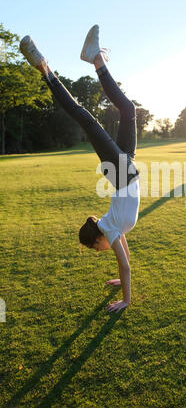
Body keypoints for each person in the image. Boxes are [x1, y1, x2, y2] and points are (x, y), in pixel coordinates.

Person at [20, 25, 140, 313]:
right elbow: (125, 262)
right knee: (129, 111)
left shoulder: (110, 230)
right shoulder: (113, 228)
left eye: (95, 250)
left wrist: (126, 299)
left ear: (98, 240)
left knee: (87, 119)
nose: (101, 252)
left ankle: (44, 68)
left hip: (122, 175)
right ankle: (95, 59)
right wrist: (119, 281)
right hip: (126, 169)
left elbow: (124, 265)